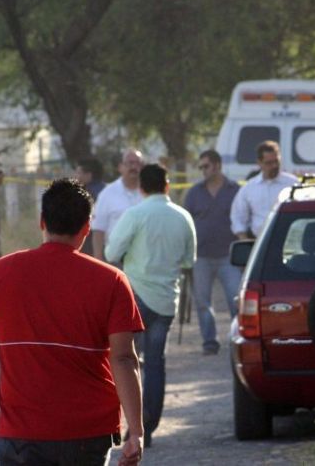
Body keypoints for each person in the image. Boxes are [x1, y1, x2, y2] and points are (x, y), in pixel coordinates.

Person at [0, 178, 145, 465]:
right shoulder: (112, 281)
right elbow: (124, 359)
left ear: (42, 221)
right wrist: (136, 433)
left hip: (19, 434)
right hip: (88, 433)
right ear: (86, 228)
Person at [105, 164, 196, 448]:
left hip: (136, 297)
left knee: (126, 361)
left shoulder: (135, 214)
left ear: (141, 188)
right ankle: (149, 426)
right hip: (167, 301)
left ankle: (131, 427)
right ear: (167, 186)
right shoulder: (183, 217)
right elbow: (188, 261)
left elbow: (111, 252)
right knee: (156, 364)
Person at [183, 150, 241, 355]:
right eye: (201, 167)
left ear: (217, 165)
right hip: (201, 256)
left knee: (236, 299)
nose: (203, 170)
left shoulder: (235, 190)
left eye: (205, 166)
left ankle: (239, 339)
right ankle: (210, 342)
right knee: (202, 302)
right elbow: (185, 222)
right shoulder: (194, 192)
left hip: (229, 256)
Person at [230, 141, 298, 239]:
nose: (274, 166)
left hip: (289, 242)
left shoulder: (292, 184)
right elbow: (238, 218)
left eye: (276, 161)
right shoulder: (249, 188)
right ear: (259, 163)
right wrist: (246, 243)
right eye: (269, 163)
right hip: (259, 243)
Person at [92, 149, 144, 263]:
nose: (134, 167)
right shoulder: (107, 193)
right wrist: (98, 261)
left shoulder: (150, 192)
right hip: (115, 259)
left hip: (145, 261)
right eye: (130, 163)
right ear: (120, 167)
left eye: (137, 163)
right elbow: (98, 229)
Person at [76, 157, 107, 256]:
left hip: (90, 243)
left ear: (88, 175)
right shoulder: (109, 190)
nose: (76, 176)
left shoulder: (87, 194)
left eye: (79, 173)